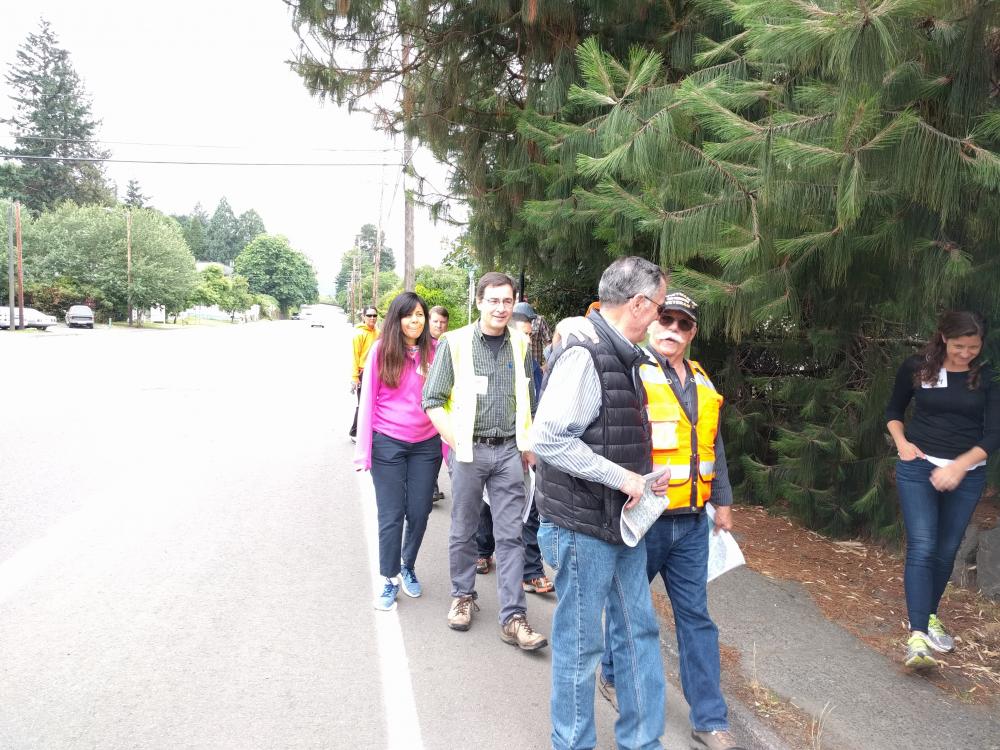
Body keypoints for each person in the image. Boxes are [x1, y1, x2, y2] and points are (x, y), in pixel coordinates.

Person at [532, 256, 671, 750]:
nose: (660, 316)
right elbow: (547, 438)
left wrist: (640, 482)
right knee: (580, 645)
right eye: (657, 306)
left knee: (639, 634)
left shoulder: (623, 354)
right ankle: (572, 743)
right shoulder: (585, 354)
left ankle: (642, 741)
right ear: (637, 303)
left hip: (620, 523)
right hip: (581, 527)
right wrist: (625, 478)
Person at [598, 291, 744, 750]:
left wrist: (722, 500)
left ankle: (710, 718)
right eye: (665, 320)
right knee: (630, 612)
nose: (672, 331)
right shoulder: (631, 370)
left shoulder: (702, 379)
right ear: (651, 320)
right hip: (645, 519)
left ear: (692, 333)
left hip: (692, 523)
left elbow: (713, 445)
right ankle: (612, 673)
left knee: (696, 618)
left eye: (682, 325)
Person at [422, 272, 547, 651]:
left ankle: (513, 617)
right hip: (468, 451)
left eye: (507, 301)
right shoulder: (454, 343)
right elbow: (432, 399)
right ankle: (462, 596)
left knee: (510, 536)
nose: (501, 308)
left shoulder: (521, 345)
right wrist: (456, 439)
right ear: (479, 302)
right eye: (493, 300)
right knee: (463, 529)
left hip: (509, 451)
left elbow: (530, 399)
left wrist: (529, 446)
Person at [885, 311, 998, 669]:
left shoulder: (987, 376)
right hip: (917, 465)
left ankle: (930, 615)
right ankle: (917, 636)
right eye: (959, 346)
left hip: (967, 473)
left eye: (973, 347)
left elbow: (994, 433)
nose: (966, 353)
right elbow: (893, 410)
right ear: (943, 339)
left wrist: (959, 466)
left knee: (947, 548)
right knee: (922, 544)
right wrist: (901, 442)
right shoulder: (918, 367)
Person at [353, 293, 442, 612]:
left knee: (419, 511)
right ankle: (389, 578)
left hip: (426, 444)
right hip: (387, 442)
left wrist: (448, 444)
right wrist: (363, 450)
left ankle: (408, 565)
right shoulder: (381, 350)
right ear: (397, 319)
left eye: (420, 315)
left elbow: (447, 399)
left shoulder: (436, 352)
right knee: (391, 514)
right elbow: (367, 403)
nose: (416, 321)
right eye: (409, 315)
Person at [475, 301, 553, 594]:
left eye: (530, 335)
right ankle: (482, 550)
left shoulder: (532, 364)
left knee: (529, 508)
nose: (527, 340)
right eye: (523, 332)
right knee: (487, 504)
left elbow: (538, 405)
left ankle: (531, 570)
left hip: (528, 447)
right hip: (495, 446)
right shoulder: (489, 355)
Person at [428, 305, 451, 501]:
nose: (439, 325)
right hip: (425, 407)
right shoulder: (422, 344)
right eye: (435, 321)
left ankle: (431, 486)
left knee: (437, 451)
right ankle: (430, 487)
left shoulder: (450, 343)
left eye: (442, 322)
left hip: (444, 407)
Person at [350, 306, 380, 441]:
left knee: (374, 403)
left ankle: (370, 431)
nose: (372, 318)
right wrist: (355, 378)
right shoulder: (359, 334)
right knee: (362, 403)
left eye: (374, 315)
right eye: (369, 315)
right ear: (363, 317)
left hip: (376, 372)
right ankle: (355, 432)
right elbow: (355, 357)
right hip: (363, 373)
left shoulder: (378, 333)